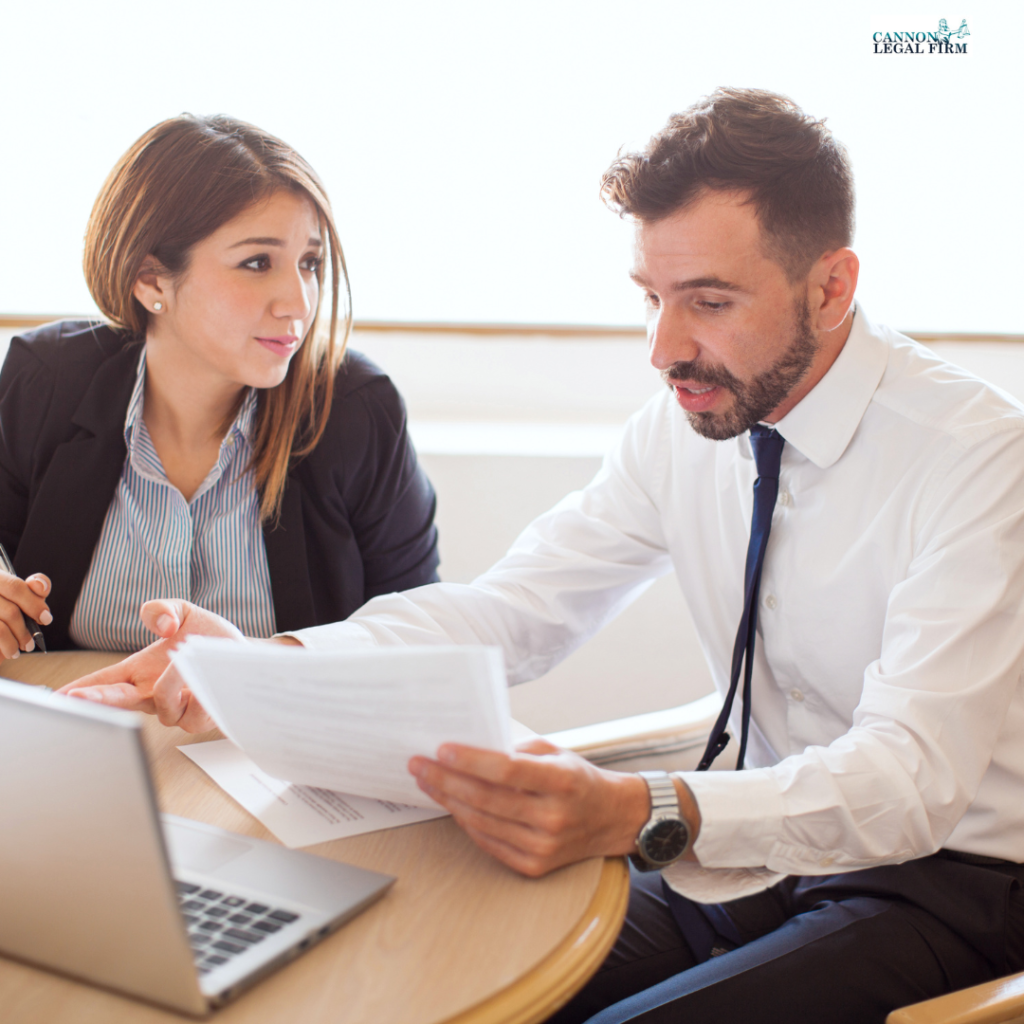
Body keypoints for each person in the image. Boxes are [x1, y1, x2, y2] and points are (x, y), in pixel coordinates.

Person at [61, 89, 1024, 1022]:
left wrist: (639, 809)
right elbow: (511, 612)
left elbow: (911, 783)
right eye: (650, 297)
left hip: (951, 880)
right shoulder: (680, 429)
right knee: (440, 976)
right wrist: (255, 663)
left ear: (832, 286)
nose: (663, 347)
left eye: (710, 302)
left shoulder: (978, 457)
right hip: (755, 850)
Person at [0, 114, 439, 660]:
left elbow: (421, 640)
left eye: (310, 263)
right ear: (151, 279)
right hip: (82, 733)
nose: (299, 303)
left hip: (273, 739)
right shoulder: (44, 381)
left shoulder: (356, 411)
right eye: (257, 262)